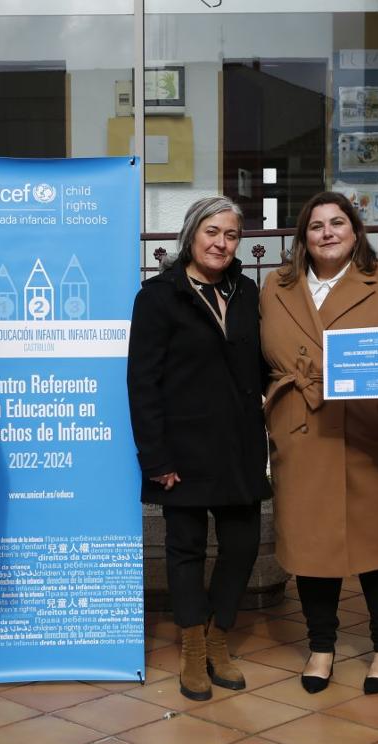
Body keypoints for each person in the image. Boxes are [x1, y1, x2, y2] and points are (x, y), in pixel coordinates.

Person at [260, 191, 378, 696]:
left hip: (373, 430)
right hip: (304, 430)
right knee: (313, 546)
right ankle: (321, 646)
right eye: (316, 226)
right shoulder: (276, 287)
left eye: (339, 223)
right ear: (303, 238)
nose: (328, 232)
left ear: (356, 233)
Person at [127, 196, 270, 701]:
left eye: (231, 235)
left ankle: (218, 638)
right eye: (212, 232)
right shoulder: (158, 296)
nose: (221, 243)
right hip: (181, 450)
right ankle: (191, 651)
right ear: (191, 235)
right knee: (185, 551)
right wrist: (156, 458)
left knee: (241, 547)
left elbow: (263, 365)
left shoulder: (248, 291)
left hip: (239, 446)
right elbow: (141, 383)